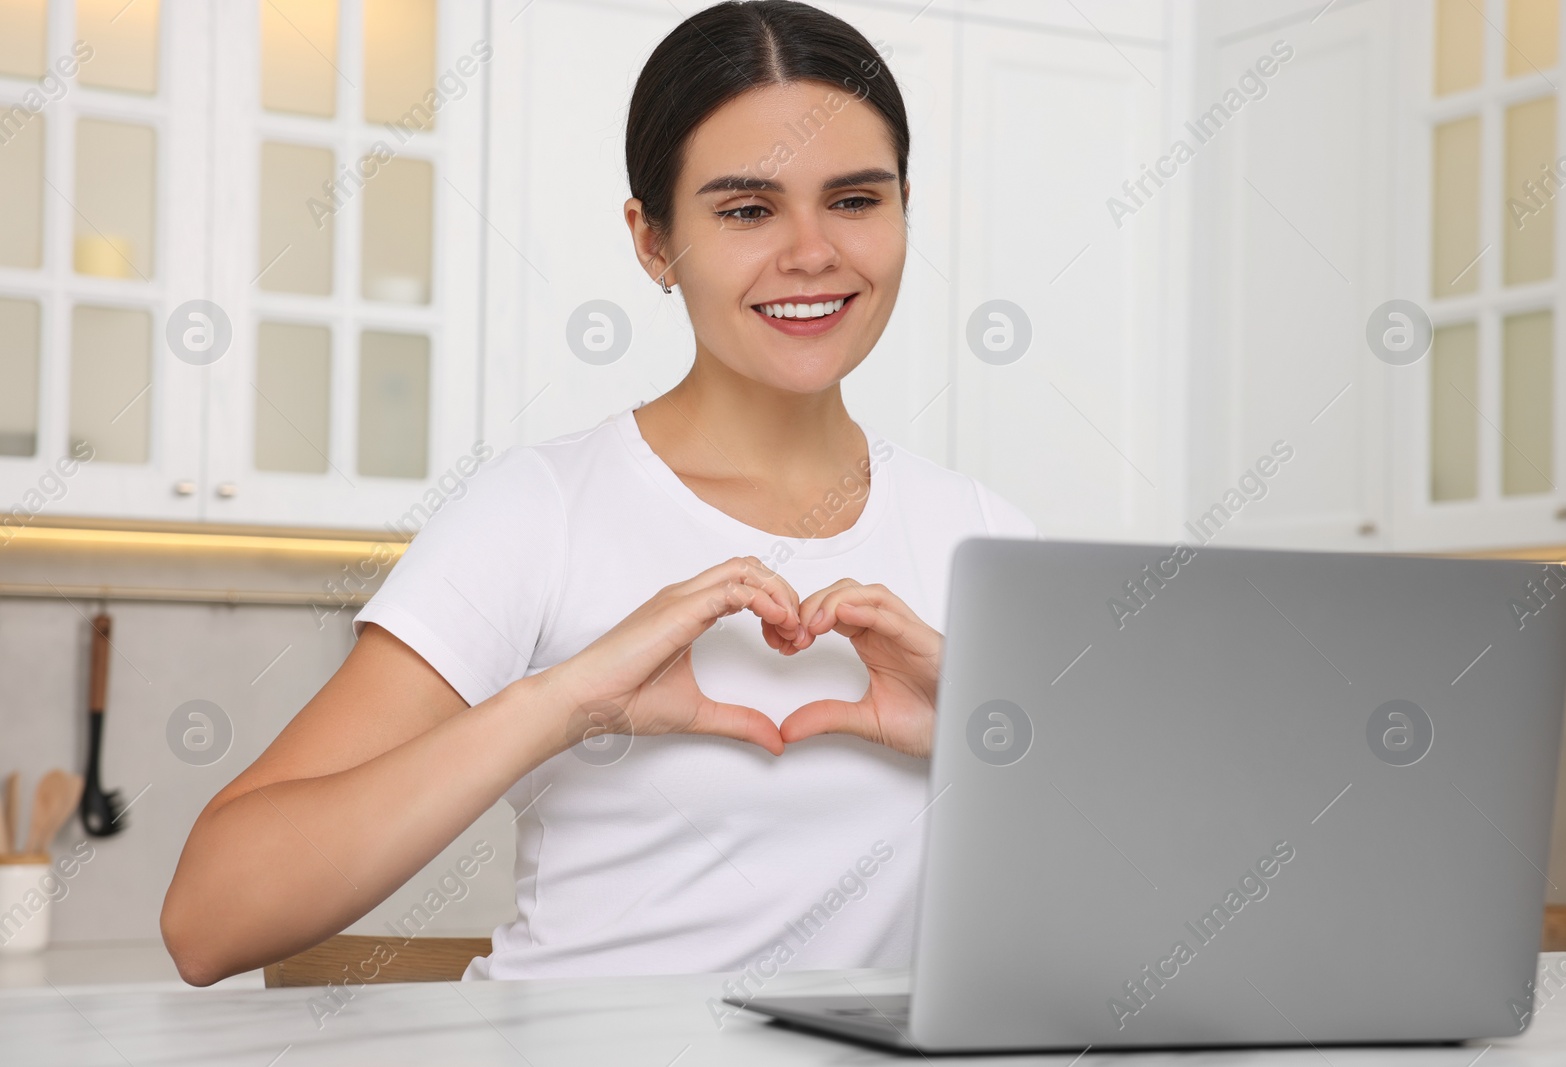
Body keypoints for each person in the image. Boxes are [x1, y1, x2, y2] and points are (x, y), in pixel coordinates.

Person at [161, 0, 1036, 986]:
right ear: (653, 240)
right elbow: (210, 916)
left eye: (855, 200)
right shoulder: (538, 509)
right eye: (747, 209)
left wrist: (991, 734)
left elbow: (1131, 928)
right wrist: (566, 701)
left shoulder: (986, 536)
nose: (811, 251)